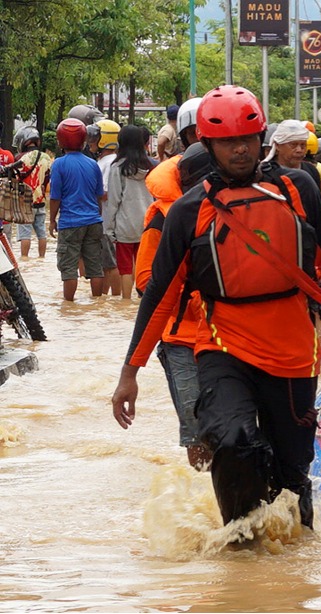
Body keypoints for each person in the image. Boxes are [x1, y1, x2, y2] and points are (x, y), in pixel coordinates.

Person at [110, 85, 321, 533]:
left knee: (293, 472)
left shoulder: (297, 189)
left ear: (262, 139)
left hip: (292, 348)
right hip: (223, 344)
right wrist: (130, 373)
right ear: (207, 145)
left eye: (248, 139)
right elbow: (159, 295)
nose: (239, 149)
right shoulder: (188, 211)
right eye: (227, 141)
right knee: (232, 439)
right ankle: (240, 546)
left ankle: (295, 561)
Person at [135, 143, 212, 471]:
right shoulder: (162, 221)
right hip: (180, 339)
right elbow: (144, 281)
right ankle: (201, 492)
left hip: (228, 335)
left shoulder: (235, 210)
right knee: (196, 429)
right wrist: (191, 290)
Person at [48, 118, 106, 301]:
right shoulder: (93, 164)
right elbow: (99, 196)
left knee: (69, 269)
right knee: (96, 267)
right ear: (84, 140)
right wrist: (97, 215)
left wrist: (51, 220)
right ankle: (98, 304)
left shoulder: (59, 164)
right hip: (94, 222)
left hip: (70, 223)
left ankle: (69, 307)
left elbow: (55, 196)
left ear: (60, 141)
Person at [103, 125, 155, 299]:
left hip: (125, 225)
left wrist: (108, 228)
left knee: (125, 268)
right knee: (143, 266)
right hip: (147, 223)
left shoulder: (118, 168)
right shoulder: (151, 167)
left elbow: (114, 201)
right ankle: (141, 302)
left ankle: (125, 303)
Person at [12, 127, 52, 258]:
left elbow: (12, 177)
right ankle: (42, 258)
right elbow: (47, 179)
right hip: (40, 202)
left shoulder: (21, 158)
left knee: (25, 234)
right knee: (42, 234)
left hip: (25, 203)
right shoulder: (46, 158)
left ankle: (24, 259)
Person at [95, 119, 122, 293]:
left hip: (106, 220)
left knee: (109, 263)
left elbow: (105, 193)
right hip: (115, 220)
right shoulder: (116, 160)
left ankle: (114, 296)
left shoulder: (105, 164)